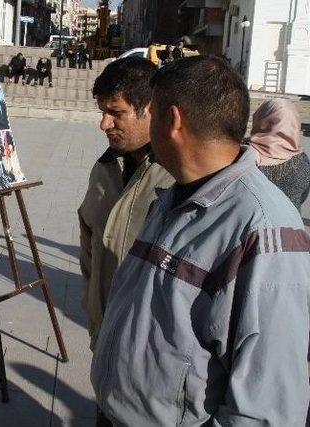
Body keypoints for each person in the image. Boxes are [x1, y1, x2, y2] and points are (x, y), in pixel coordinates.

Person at [92, 55, 310, 425]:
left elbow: (266, 406)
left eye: (153, 112)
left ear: (172, 120)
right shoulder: (174, 194)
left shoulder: (264, 228)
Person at [80, 57, 173, 359]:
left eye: (116, 113)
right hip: (104, 338)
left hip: (150, 355)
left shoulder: (176, 178)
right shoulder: (104, 168)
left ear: (150, 110)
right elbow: (89, 247)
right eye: (103, 112)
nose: (104, 124)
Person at [249, 98, 310, 210]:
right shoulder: (303, 161)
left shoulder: (243, 155)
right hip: (291, 224)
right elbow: (302, 197)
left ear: (260, 119)